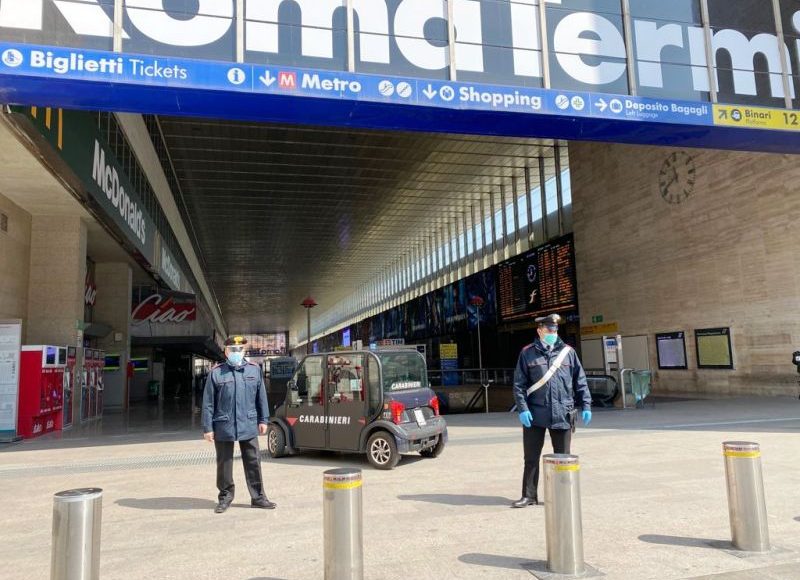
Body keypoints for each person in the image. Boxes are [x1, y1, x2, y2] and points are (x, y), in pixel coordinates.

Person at [511, 314, 592, 508]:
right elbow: (519, 385)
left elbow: (580, 380)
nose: (553, 334)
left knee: (563, 457)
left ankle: (562, 496)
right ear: (539, 331)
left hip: (562, 413)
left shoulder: (568, 352)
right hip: (535, 414)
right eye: (549, 331)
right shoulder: (527, 353)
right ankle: (529, 495)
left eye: (555, 331)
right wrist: (522, 408)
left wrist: (586, 405)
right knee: (531, 458)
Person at [202, 335, 276, 513]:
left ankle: (258, 497)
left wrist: (263, 419)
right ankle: (225, 497)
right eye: (232, 350)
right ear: (225, 351)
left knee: (253, 461)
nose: (236, 353)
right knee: (224, 462)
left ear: (244, 351)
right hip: (223, 424)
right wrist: (208, 428)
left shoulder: (254, 370)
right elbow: (208, 403)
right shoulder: (216, 373)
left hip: (248, 423)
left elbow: (261, 397)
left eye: (239, 349)